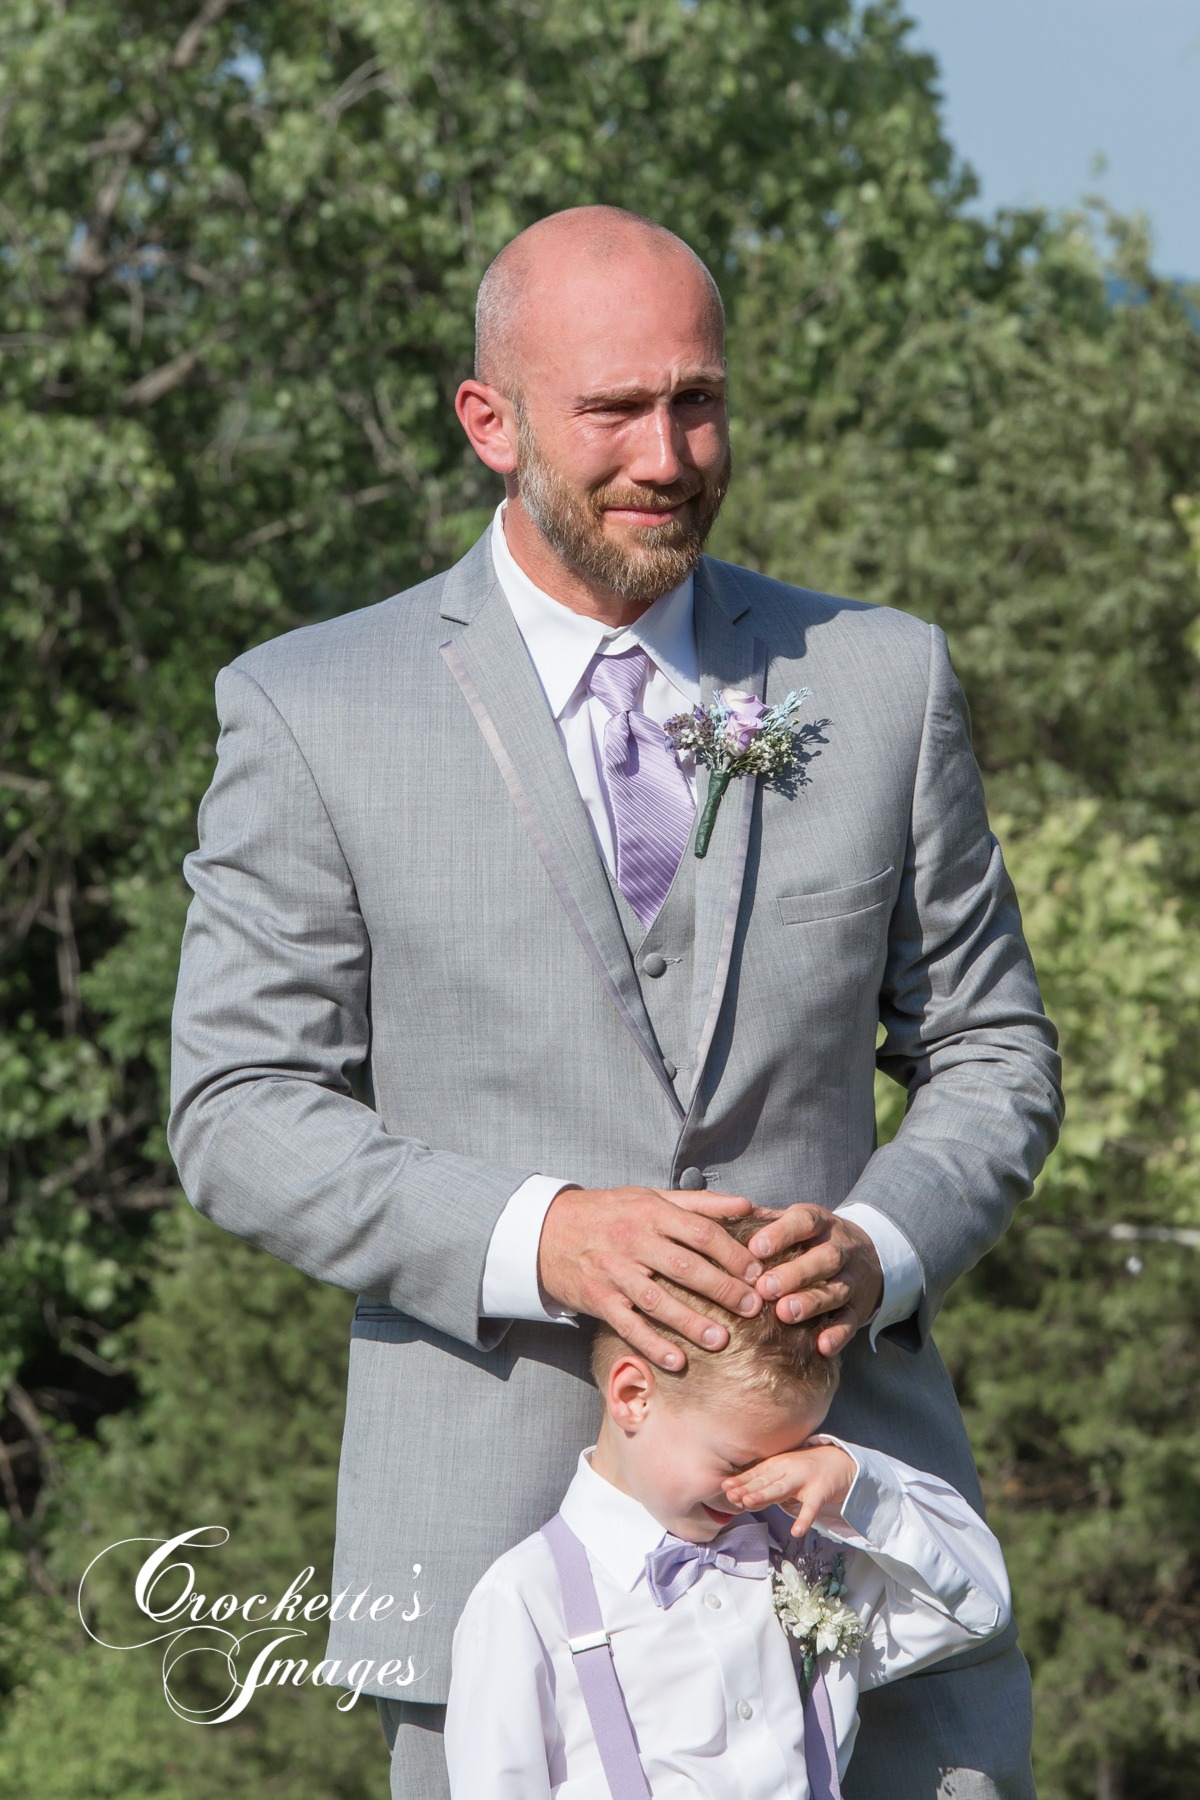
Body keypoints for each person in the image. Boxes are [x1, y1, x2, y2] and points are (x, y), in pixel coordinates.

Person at [168, 204, 1062, 1800]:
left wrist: (882, 1244)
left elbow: (992, 1051)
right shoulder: (309, 709)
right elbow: (239, 1113)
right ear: (488, 422)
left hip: (863, 1565)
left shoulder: (880, 678)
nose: (669, 453)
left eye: (699, 400)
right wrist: (543, 1234)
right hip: (503, 1584)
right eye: (616, 412)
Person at [444, 1219, 1012, 1799]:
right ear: (633, 1397)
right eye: (738, 1460)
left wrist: (852, 1483)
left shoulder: (806, 1558)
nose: (761, 1486)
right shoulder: (524, 1601)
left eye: (791, 1455)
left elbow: (979, 1607)